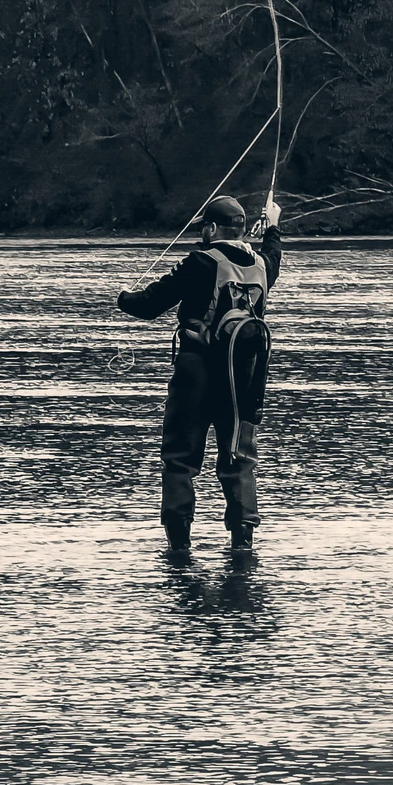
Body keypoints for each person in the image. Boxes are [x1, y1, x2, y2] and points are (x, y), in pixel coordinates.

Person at [115, 193, 283, 553]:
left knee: (180, 457)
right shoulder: (263, 266)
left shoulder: (200, 262)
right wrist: (273, 225)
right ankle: (242, 541)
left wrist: (123, 298)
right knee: (239, 455)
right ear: (241, 229)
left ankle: (179, 544)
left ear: (209, 228)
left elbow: (149, 306)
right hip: (244, 375)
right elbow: (274, 255)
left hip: (198, 371)